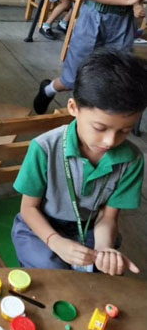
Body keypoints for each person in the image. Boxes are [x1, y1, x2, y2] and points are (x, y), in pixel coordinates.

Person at [12, 50, 147, 275]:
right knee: (54, 271)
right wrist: (55, 241)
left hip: (90, 228)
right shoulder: (44, 148)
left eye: (125, 131)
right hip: (40, 227)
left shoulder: (131, 160)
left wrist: (104, 249)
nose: (110, 141)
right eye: (100, 128)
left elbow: (108, 216)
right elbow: (28, 208)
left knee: (103, 272)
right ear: (73, 108)